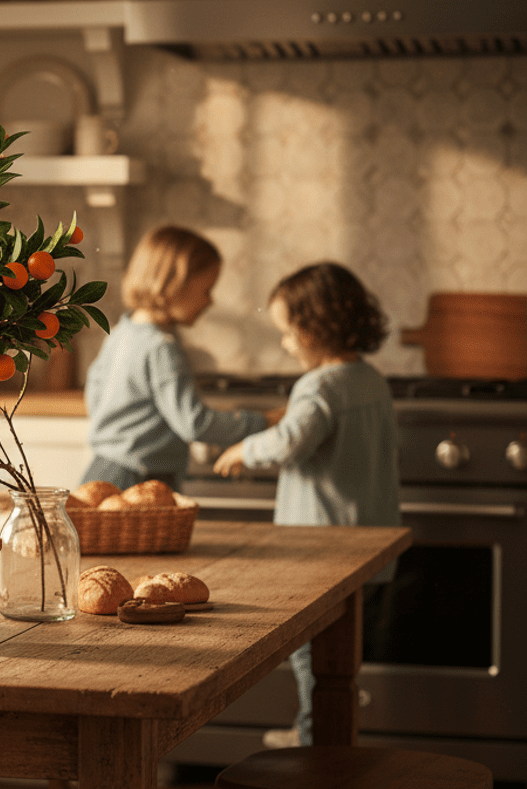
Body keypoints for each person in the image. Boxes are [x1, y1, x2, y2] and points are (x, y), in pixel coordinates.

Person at [213, 261, 399, 748]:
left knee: (309, 654)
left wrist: (242, 450)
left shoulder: (318, 387)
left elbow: (289, 443)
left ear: (317, 328)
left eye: (288, 332)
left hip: (321, 550)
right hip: (369, 546)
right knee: (343, 656)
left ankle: (317, 742)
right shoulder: (371, 379)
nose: (285, 344)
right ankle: (327, 733)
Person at [80, 225, 273, 491]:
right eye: (206, 290)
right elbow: (195, 424)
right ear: (173, 285)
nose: (210, 302)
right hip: (139, 479)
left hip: (103, 471)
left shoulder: (119, 332)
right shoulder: (161, 347)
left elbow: (94, 397)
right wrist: (265, 420)